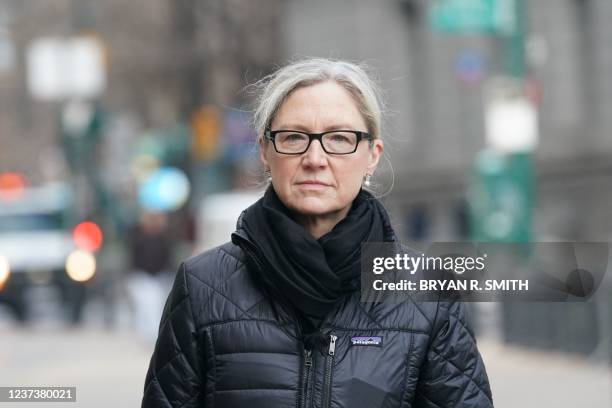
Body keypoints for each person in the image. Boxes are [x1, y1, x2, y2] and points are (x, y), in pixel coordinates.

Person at [142, 58, 493, 407]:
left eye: (339, 138)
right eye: (294, 137)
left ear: (372, 155)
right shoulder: (203, 286)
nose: (315, 157)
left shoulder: (428, 296)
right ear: (264, 150)